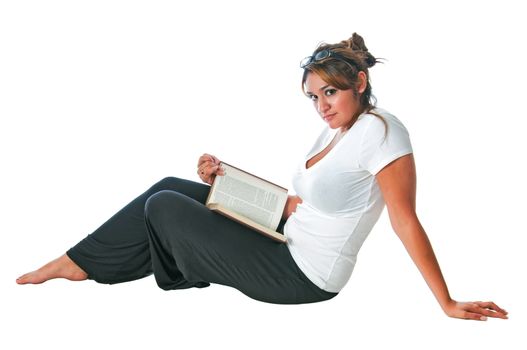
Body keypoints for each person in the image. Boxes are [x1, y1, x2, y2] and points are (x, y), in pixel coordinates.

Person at [17, 33, 508, 321]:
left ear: (360, 83)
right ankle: (77, 261)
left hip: (302, 274)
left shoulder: (382, 134)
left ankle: (117, 267)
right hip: (286, 232)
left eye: (331, 94)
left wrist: (445, 301)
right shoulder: (335, 132)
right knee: (170, 188)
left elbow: (405, 221)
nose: (322, 107)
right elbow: (300, 204)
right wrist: (225, 178)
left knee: (164, 212)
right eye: (313, 97)